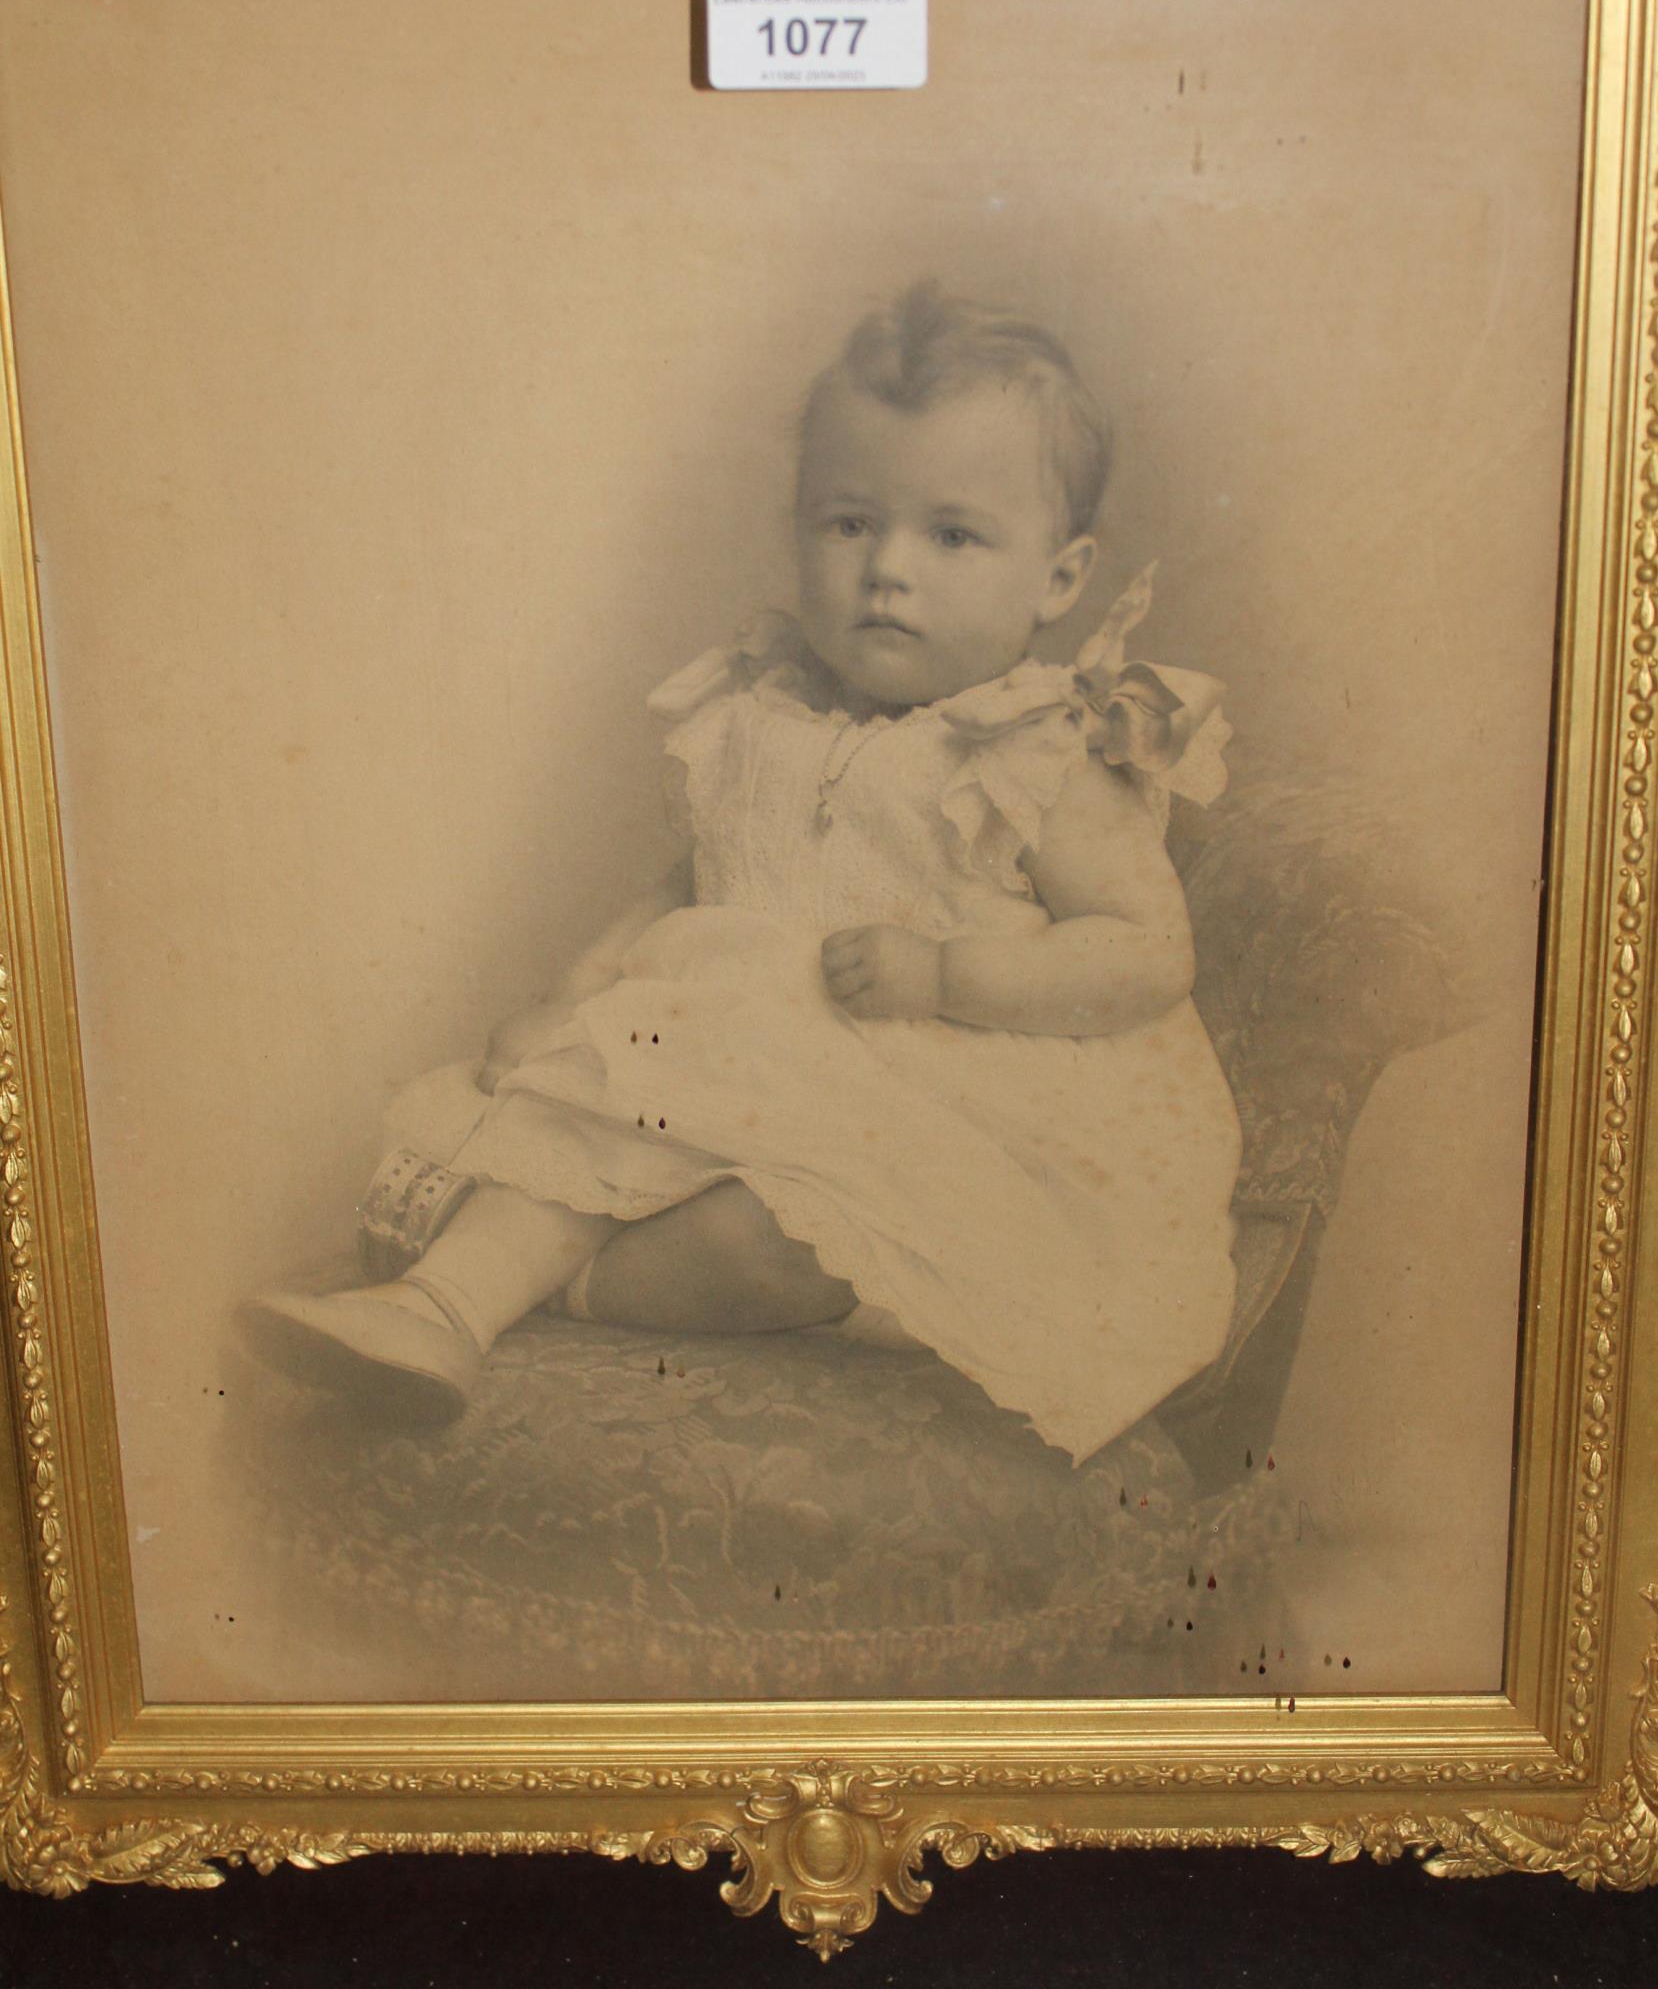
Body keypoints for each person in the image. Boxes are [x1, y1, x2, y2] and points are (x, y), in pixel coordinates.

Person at [243, 281, 1242, 1464]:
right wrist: (578, 990)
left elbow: (1141, 953)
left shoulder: (1037, 752)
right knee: (584, 1105)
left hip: (934, 1119)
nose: (887, 571)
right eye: (848, 523)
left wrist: (941, 971)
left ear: (1059, 579)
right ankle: (440, 1313)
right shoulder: (758, 716)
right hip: (719, 1083)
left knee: (774, 1239)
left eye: (951, 534)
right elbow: (692, 884)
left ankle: (564, 1291)